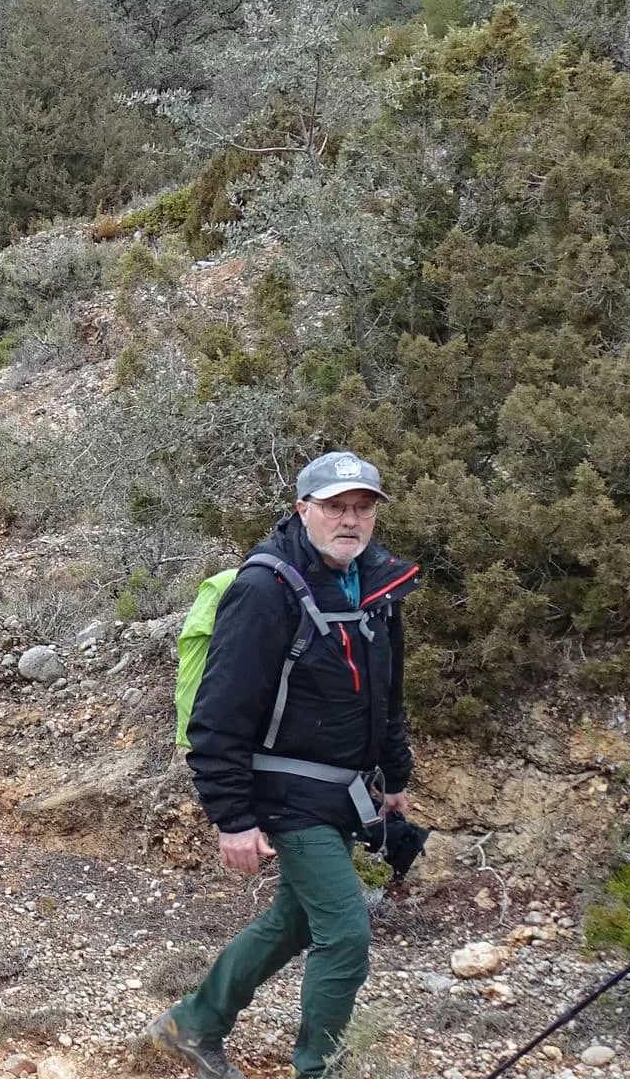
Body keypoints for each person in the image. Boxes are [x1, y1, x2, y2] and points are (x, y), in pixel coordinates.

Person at [148, 451, 421, 1079]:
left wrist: (395, 776)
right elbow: (217, 716)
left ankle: (192, 1024)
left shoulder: (378, 586)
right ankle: (319, 1070)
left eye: (362, 508)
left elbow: (388, 694)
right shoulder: (264, 589)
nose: (350, 520)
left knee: (294, 920)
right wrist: (233, 819)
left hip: (341, 792)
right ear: (303, 509)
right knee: (345, 933)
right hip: (285, 795)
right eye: (335, 507)